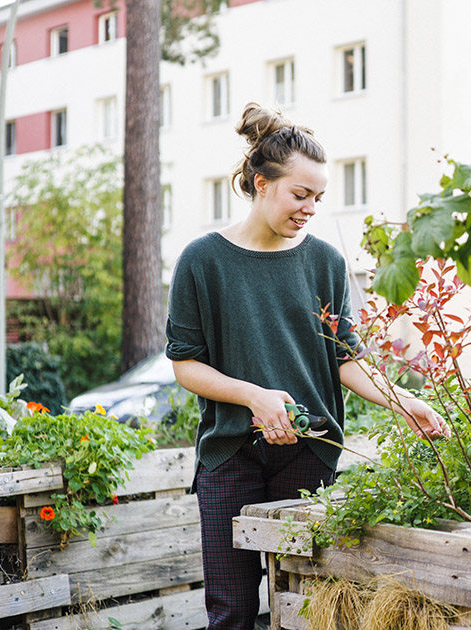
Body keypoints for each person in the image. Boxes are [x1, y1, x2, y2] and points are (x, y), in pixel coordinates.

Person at [165, 102, 449, 630]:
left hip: (309, 454)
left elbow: (345, 358)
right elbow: (186, 364)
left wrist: (403, 399)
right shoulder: (202, 261)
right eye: (301, 194)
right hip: (230, 456)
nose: (311, 208)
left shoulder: (325, 262)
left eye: (318, 197)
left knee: (304, 608)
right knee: (231, 612)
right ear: (260, 182)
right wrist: (255, 396)